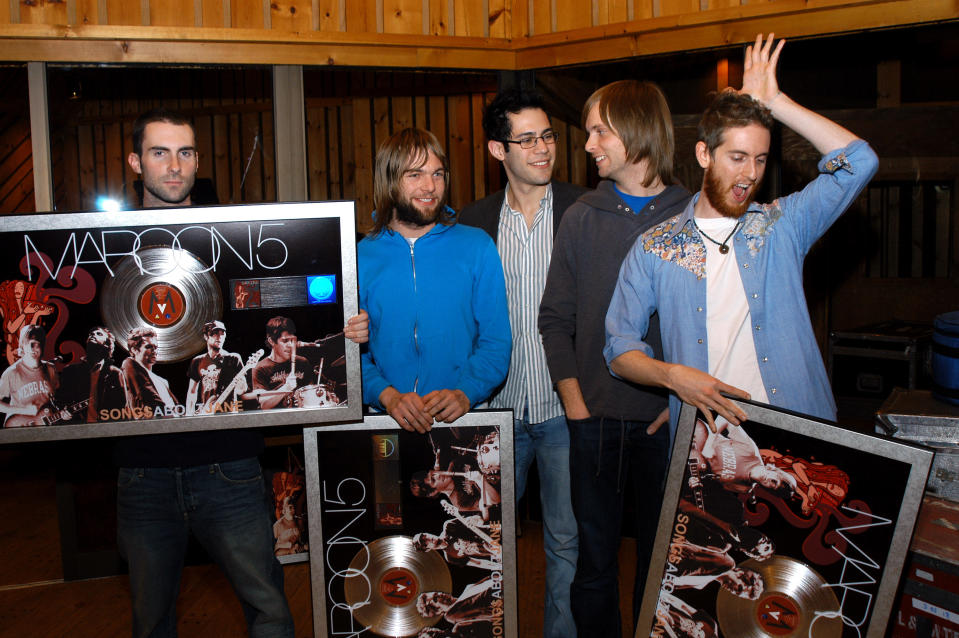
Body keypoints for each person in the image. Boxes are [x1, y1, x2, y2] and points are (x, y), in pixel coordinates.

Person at [604, 35, 879, 437]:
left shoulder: (780, 225)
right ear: (704, 155)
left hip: (797, 429)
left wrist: (776, 103)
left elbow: (860, 161)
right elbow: (619, 349)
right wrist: (673, 377)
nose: (750, 173)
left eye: (760, 159)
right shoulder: (656, 247)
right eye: (737, 157)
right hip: (709, 440)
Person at [115, 108, 296, 638]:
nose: (175, 166)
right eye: (159, 152)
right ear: (135, 161)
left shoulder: (230, 240)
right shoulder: (107, 243)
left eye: (186, 152)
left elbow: (291, 314)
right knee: (151, 621)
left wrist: (344, 323)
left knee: (269, 610)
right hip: (141, 468)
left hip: (230, 463)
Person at [538, 80, 691, 637]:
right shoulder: (582, 216)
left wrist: (680, 404)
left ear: (636, 130)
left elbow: (710, 326)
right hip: (594, 421)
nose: (589, 143)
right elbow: (554, 318)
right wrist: (577, 407)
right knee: (594, 567)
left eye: (600, 130)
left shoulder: (691, 215)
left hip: (665, 423)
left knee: (662, 565)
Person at [458, 87, 581, 638]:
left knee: (566, 540)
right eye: (526, 139)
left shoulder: (585, 210)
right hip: (495, 415)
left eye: (548, 136)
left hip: (563, 409)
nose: (541, 149)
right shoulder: (471, 225)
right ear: (496, 150)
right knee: (487, 543)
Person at [357, 127, 510, 433]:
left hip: (466, 416)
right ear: (390, 180)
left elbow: (497, 341)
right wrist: (386, 395)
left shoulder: (476, 246)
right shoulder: (361, 256)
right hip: (385, 418)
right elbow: (347, 355)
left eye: (438, 174)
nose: (430, 186)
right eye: (415, 174)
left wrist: (467, 392)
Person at [57, 325, 127, 423]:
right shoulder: (70, 371)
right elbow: (60, 399)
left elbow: (121, 406)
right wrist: (62, 411)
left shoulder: (115, 373)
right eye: (91, 334)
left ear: (107, 344)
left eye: (98, 334)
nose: (93, 335)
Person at [0, 325, 60, 427]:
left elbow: (57, 400)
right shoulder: (12, 372)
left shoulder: (50, 369)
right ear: (22, 345)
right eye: (29, 344)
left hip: (47, 426)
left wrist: (63, 413)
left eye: (37, 344)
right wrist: (25, 410)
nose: (33, 349)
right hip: (21, 427)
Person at [185, 320, 248, 416]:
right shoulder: (197, 361)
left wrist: (239, 383)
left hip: (228, 411)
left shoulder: (233, 358)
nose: (219, 337)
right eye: (215, 334)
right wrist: (189, 415)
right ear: (206, 336)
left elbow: (242, 390)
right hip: (206, 412)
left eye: (222, 334)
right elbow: (192, 392)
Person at [252, 316, 312, 410]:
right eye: (285, 341)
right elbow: (264, 405)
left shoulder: (302, 363)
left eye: (292, 340)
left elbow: (312, 393)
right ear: (271, 341)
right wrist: (286, 388)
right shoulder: (260, 368)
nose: (290, 345)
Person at [121, 327, 180, 416]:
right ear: (134, 350)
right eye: (149, 347)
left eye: (155, 347)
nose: (154, 351)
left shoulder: (163, 381)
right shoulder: (128, 365)